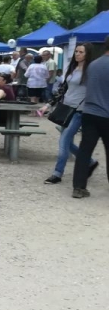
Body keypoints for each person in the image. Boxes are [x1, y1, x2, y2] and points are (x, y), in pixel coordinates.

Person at [42, 43, 98, 185]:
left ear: (88, 54)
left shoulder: (90, 71)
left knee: (64, 140)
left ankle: (57, 173)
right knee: (67, 142)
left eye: (81, 52)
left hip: (79, 111)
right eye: (76, 51)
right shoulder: (72, 68)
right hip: (66, 108)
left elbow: (94, 91)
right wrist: (48, 104)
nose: (77, 54)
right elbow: (63, 89)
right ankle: (90, 162)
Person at [71, 38, 109, 199]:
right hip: (107, 114)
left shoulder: (93, 65)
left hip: (89, 113)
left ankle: (78, 187)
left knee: (84, 151)